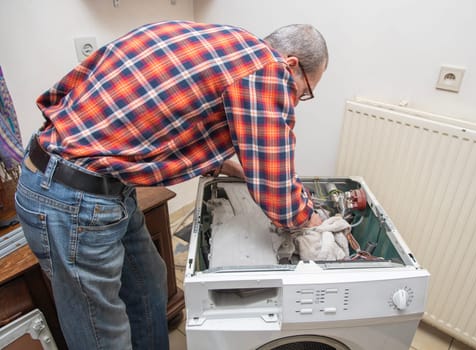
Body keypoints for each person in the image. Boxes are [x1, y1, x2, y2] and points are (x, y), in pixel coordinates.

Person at [15, 20, 328, 349]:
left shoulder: (227, 42)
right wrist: (314, 220)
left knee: (149, 282)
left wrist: (227, 165)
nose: (295, 100)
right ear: (291, 64)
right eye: (302, 92)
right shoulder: (268, 70)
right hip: (70, 197)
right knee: (103, 331)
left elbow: (166, 107)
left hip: (91, 181)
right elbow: (278, 192)